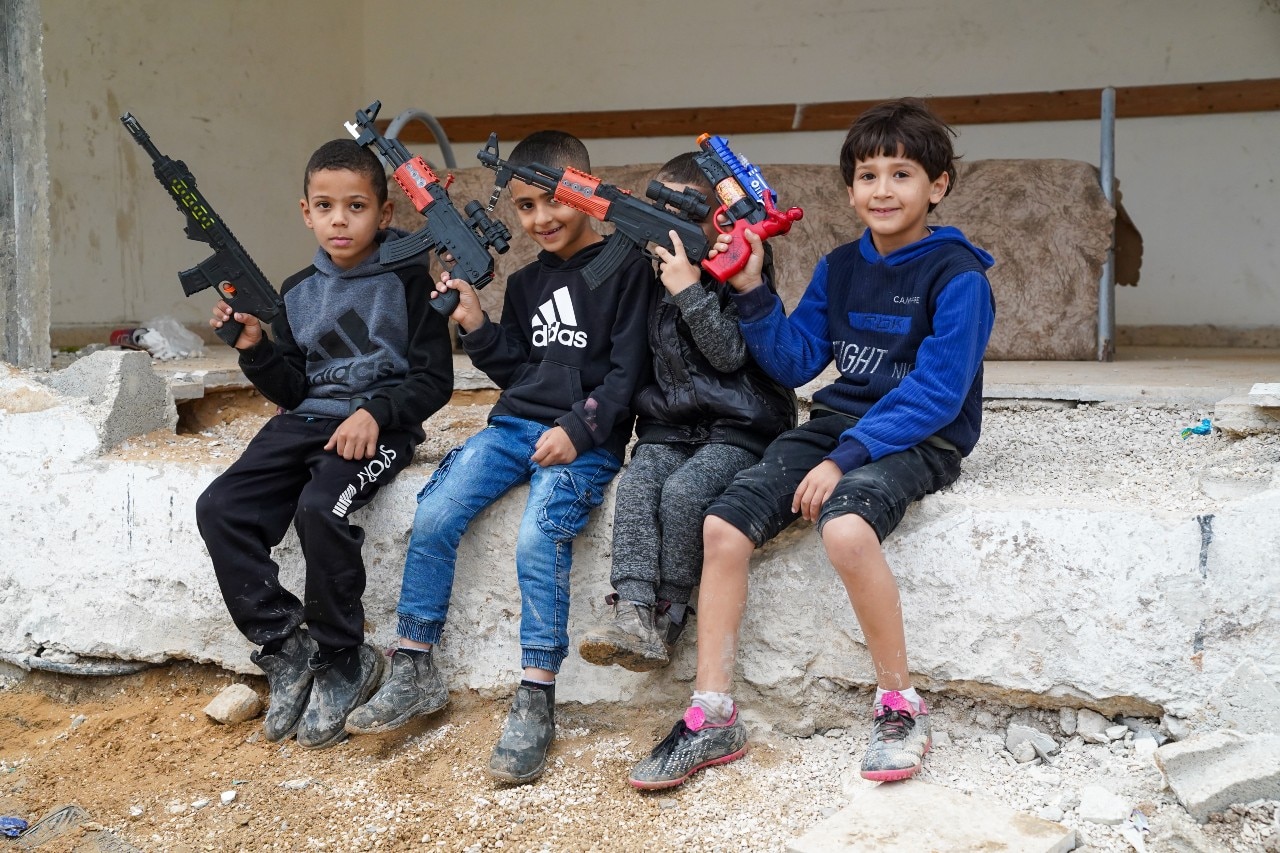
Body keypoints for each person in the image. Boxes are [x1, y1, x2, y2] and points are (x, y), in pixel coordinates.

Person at [628, 97, 996, 790]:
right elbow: (796, 362)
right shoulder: (839, 265)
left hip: (922, 433)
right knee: (722, 525)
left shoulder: (959, 276)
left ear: (937, 186)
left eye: (902, 174)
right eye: (866, 175)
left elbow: (937, 394)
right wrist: (750, 287)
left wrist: (844, 458)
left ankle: (899, 706)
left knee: (848, 527)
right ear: (850, 188)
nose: (882, 190)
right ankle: (713, 711)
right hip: (836, 423)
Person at [345, 130, 653, 785]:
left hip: (585, 441)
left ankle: (536, 694)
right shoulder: (527, 283)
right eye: (524, 207)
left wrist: (580, 427)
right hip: (514, 428)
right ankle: (413, 664)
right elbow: (517, 372)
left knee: (538, 537)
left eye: (552, 201)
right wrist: (478, 324)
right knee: (434, 513)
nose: (540, 219)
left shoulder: (627, 270)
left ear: (585, 193)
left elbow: (626, 374)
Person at [195, 139, 454, 749]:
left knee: (320, 509)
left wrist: (377, 412)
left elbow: (433, 380)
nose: (341, 219)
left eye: (357, 206)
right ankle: (285, 645)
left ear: (385, 215)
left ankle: (344, 656)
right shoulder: (297, 289)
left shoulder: (410, 285)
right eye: (326, 206)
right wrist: (254, 346)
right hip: (306, 419)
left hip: (378, 430)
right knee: (221, 508)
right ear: (306, 212)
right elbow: (291, 382)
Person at [577, 153, 796, 672]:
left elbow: (728, 355)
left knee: (683, 495)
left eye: (682, 213)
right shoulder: (649, 274)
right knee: (637, 485)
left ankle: (669, 614)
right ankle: (630, 612)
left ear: (717, 222)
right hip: (670, 423)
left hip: (740, 425)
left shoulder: (738, 270)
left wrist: (690, 290)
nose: (665, 226)